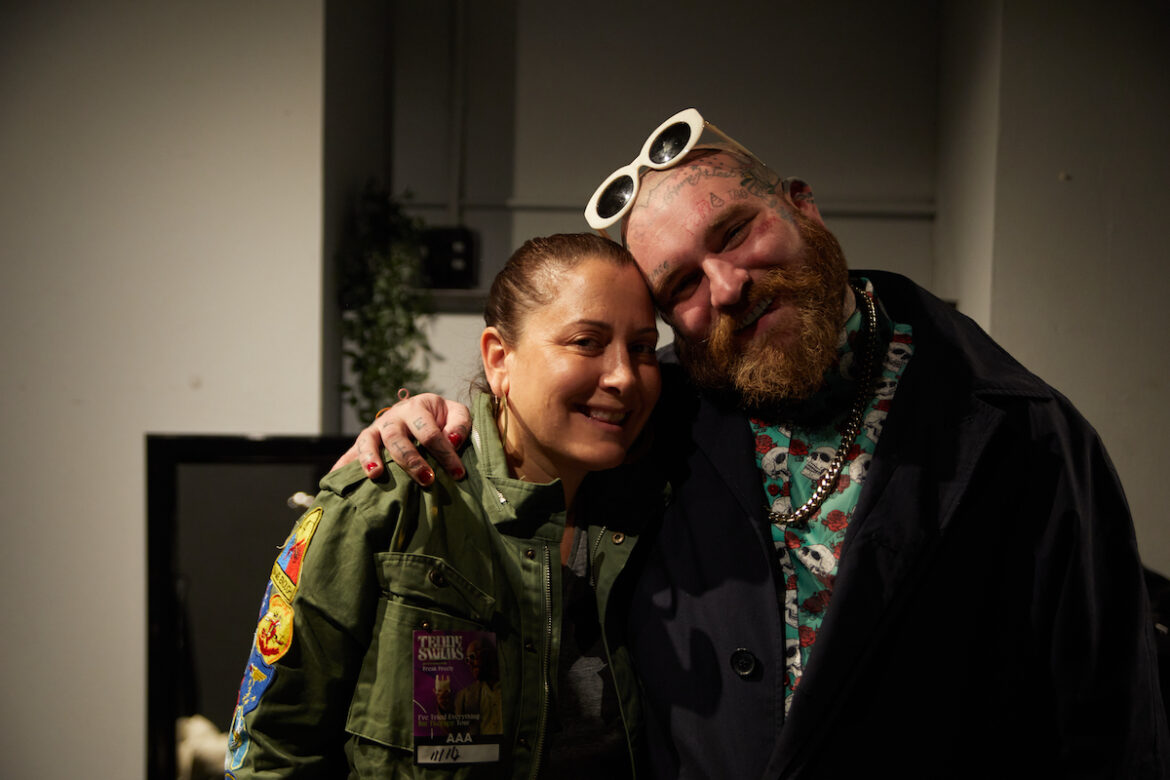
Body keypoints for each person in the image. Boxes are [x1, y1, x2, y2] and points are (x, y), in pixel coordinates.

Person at [339, 108, 1170, 778]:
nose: (728, 287)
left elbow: (1109, 725)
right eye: (683, 286)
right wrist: (424, 421)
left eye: (735, 233)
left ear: (801, 205)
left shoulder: (1022, 432)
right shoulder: (650, 418)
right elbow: (526, 432)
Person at [225, 233, 663, 778]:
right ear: (500, 359)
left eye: (643, 347)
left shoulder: (662, 512)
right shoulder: (388, 501)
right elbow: (272, 749)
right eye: (586, 342)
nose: (624, 375)